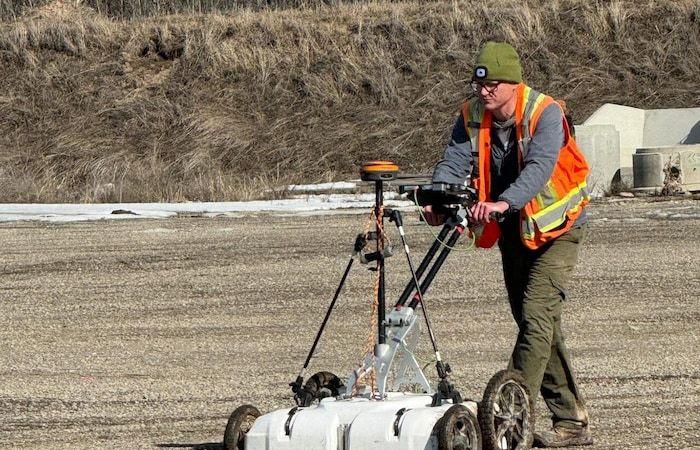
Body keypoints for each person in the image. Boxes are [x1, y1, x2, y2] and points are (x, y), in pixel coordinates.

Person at [424, 41, 593, 448]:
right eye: (479, 84)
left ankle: (508, 417)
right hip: (515, 230)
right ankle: (571, 421)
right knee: (535, 324)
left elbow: (539, 167)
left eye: (493, 85)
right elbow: (454, 159)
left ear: (513, 84)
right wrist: (438, 196)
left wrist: (504, 201)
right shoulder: (471, 115)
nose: (483, 92)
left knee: (536, 316)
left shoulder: (545, 112)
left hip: (558, 228)